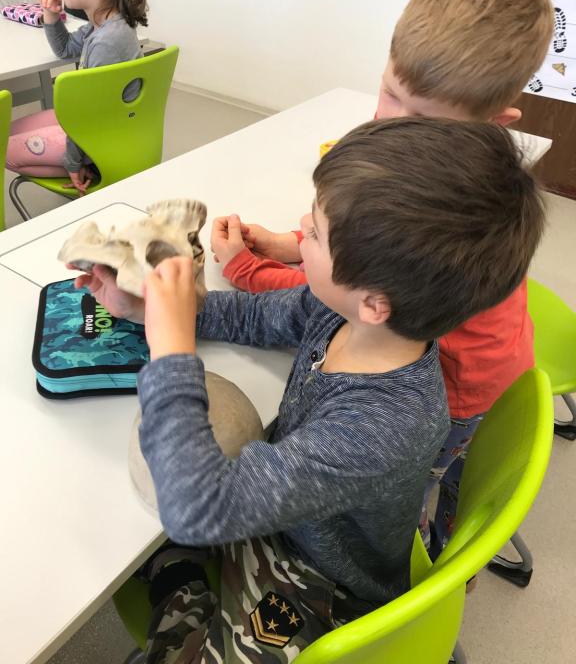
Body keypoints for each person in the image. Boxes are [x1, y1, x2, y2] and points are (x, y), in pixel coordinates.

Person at [73, 118, 545, 662]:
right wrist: (149, 308)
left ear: (374, 301)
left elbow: (195, 510)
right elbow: (253, 316)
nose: (301, 226)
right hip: (292, 520)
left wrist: (171, 348)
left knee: (161, 562)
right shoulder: (351, 315)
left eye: (316, 233)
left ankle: (184, 588)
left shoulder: (380, 426)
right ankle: (185, 581)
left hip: (319, 585)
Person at [210, 0, 555, 555]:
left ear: (492, 123)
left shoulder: (441, 220)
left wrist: (246, 269)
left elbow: (340, 295)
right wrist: (294, 244)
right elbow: (360, 262)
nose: (390, 122)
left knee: (405, 495)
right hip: (487, 359)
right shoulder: (469, 174)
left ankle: (437, 554)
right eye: (390, 93)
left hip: (457, 390)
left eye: (420, 117)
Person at [6, 0, 148, 194]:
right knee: (6, 131)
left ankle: (92, 170)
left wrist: (73, 161)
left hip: (98, 136)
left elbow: (88, 115)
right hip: (101, 125)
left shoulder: (107, 42)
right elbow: (66, 49)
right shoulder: (106, 24)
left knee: (4, 149)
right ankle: (85, 163)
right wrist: (51, 15)